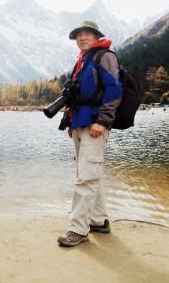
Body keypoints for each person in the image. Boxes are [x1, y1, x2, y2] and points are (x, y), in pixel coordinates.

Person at [57, 21, 123, 248]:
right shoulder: (83, 60)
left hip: (95, 124)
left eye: (87, 34)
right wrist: (70, 122)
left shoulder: (105, 56)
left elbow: (114, 90)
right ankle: (98, 220)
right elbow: (76, 96)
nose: (82, 38)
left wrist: (103, 121)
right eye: (78, 35)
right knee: (89, 174)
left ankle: (78, 229)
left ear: (96, 36)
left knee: (86, 177)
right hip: (80, 124)